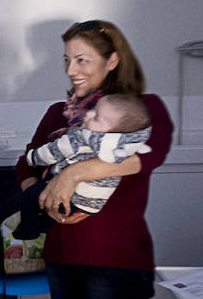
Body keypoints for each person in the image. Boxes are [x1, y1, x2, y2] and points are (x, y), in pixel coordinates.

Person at [14, 19, 173, 299]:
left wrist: (72, 174)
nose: (72, 70)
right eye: (67, 60)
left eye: (82, 60)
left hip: (117, 262)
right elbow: (26, 162)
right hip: (63, 258)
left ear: (112, 60)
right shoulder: (58, 114)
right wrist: (39, 195)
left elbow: (146, 156)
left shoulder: (143, 109)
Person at [11, 93, 152, 238]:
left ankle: (27, 231)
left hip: (74, 199)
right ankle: (43, 224)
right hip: (95, 203)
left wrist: (33, 158)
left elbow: (53, 152)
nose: (89, 114)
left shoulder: (82, 137)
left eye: (96, 117)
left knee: (30, 196)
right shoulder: (126, 143)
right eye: (93, 109)